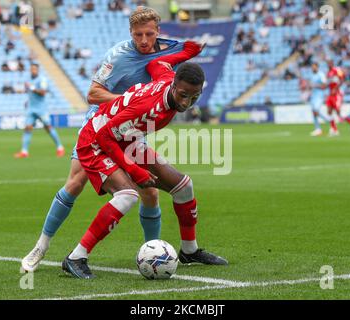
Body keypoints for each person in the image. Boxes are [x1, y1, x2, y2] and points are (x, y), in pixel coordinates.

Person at [22, 7, 190, 272]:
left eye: (148, 34)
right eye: (137, 35)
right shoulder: (119, 55)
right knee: (76, 182)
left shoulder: (168, 52)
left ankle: (153, 254)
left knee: (150, 191)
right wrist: (129, 102)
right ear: (130, 33)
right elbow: (93, 93)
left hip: (131, 130)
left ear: (158, 31)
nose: (143, 40)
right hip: (100, 123)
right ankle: (41, 246)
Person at [62, 41, 228, 279]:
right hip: (96, 142)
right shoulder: (151, 107)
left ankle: (189, 252)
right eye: (183, 95)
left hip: (126, 140)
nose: (185, 103)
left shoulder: (167, 78)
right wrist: (133, 169)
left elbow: (156, 63)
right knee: (128, 196)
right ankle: (76, 257)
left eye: (194, 97)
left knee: (184, 187)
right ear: (173, 85)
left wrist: (188, 52)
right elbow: (105, 135)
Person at [14, 63, 65, 158]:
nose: (33, 70)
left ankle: (60, 147)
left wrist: (32, 88)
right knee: (28, 128)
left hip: (41, 108)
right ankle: (24, 151)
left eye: (34, 69)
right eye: (31, 69)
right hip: (31, 108)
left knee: (48, 127)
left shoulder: (42, 80)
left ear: (38, 70)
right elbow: (29, 91)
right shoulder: (28, 80)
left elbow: (43, 92)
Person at [325, 60, 350, 137]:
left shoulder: (337, 70)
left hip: (337, 93)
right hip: (331, 94)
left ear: (332, 63)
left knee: (338, 112)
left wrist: (336, 88)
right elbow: (329, 84)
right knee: (329, 111)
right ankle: (334, 129)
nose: (329, 64)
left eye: (330, 63)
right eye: (328, 63)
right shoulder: (328, 73)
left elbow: (342, 79)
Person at [308, 62, 330, 136]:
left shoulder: (321, 75)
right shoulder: (312, 75)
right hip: (313, 96)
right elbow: (312, 86)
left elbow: (324, 85)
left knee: (316, 111)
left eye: (314, 67)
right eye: (312, 67)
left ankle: (329, 121)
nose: (312, 68)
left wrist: (315, 85)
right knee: (314, 112)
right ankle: (318, 129)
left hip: (319, 96)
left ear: (317, 67)